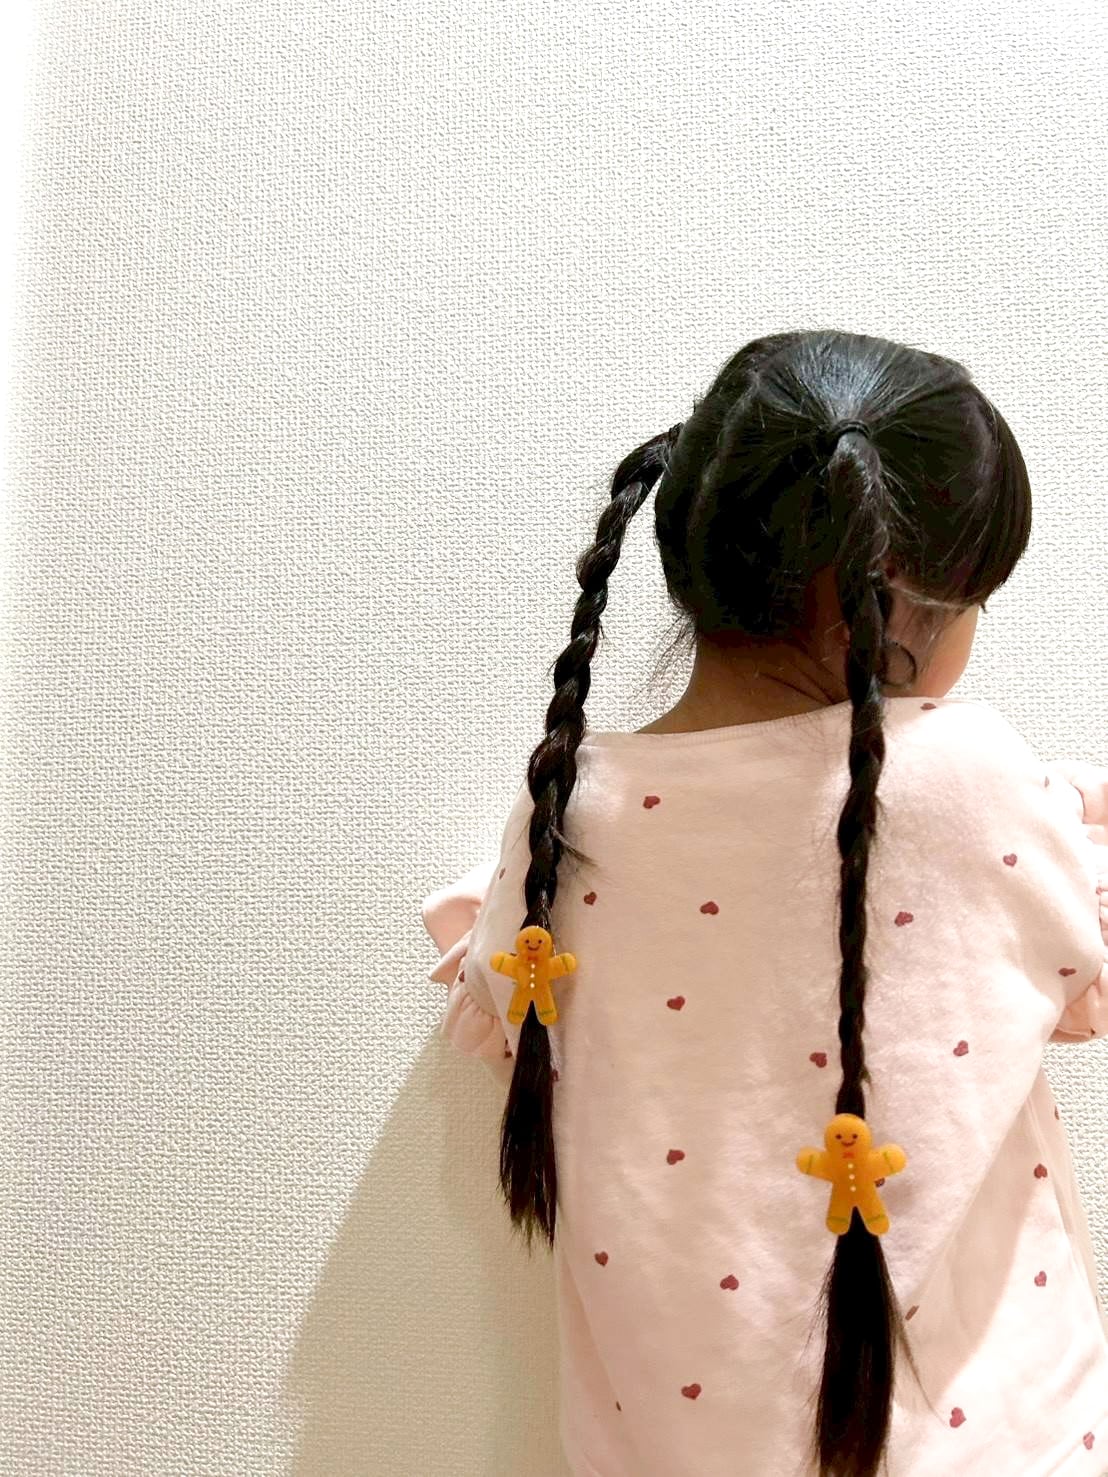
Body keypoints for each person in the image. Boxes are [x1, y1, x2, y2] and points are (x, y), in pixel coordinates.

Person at [420, 330, 1108, 1476]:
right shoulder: (966, 783)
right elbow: (1074, 964)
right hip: (992, 1443)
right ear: (883, 607)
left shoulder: (566, 818)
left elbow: (513, 1002)